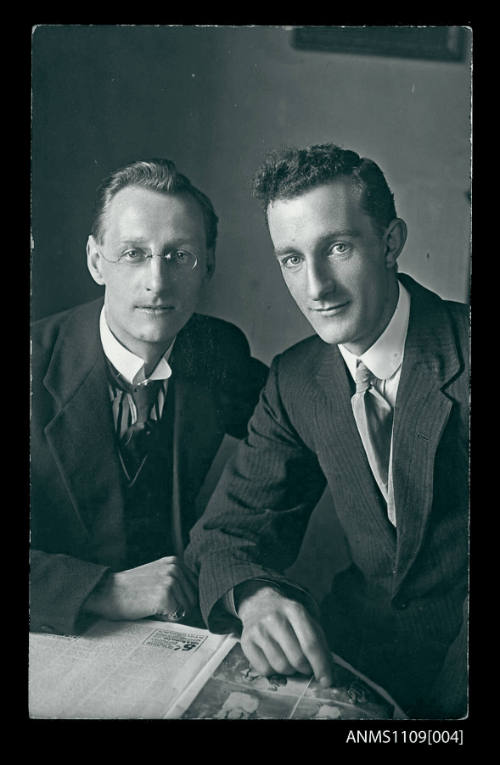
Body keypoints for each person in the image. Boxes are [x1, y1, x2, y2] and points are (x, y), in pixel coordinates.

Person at [186, 144, 469, 718]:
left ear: (391, 243)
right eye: (291, 259)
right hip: (360, 655)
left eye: (337, 248)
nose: (316, 286)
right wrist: (255, 595)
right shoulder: (297, 379)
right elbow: (224, 535)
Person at [30, 158, 267, 636]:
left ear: (209, 267)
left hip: (175, 630)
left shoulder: (218, 350)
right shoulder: (35, 365)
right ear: (97, 262)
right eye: (134, 254)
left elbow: (299, 415)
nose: (157, 282)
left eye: (180, 256)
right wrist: (104, 590)